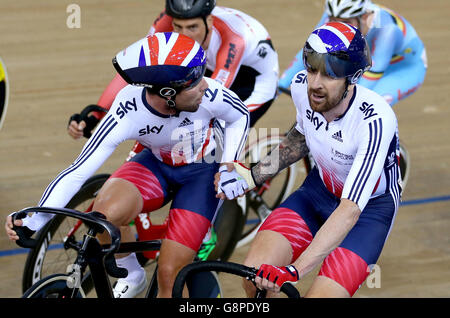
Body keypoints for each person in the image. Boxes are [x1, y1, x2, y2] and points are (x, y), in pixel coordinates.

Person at [5, 32, 250, 298]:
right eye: (195, 81)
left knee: (170, 277)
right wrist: (38, 217)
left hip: (201, 174)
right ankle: (131, 274)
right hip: (157, 164)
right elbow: (79, 171)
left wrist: (228, 166)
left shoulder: (211, 94)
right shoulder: (129, 109)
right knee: (101, 216)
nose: (205, 85)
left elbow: (240, 117)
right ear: (168, 92)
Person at [216, 22, 401, 297]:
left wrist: (294, 270)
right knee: (255, 278)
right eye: (312, 69)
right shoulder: (302, 86)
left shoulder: (375, 120)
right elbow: (300, 138)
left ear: (352, 78)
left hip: (366, 213)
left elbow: (350, 210)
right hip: (318, 193)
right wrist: (251, 176)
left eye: (329, 76)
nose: (315, 83)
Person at [68, 0, 279, 139]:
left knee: (212, 140)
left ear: (210, 22)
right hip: (202, 69)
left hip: (251, 83)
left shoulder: (234, 39)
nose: (184, 36)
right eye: (178, 27)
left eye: (193, 28)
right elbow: (136, 69)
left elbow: (212, 95)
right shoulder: (165, 21)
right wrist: (96, 114)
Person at [278, 0, 427, 107]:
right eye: (333, 20)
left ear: (364, 17)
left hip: (403, 69)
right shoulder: (336, 15)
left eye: (346, 22)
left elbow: (372, 75)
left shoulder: (387, 29)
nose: (338, 26)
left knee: (369, 105)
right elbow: (311, 50)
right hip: (367, 61)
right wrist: (282, 83)